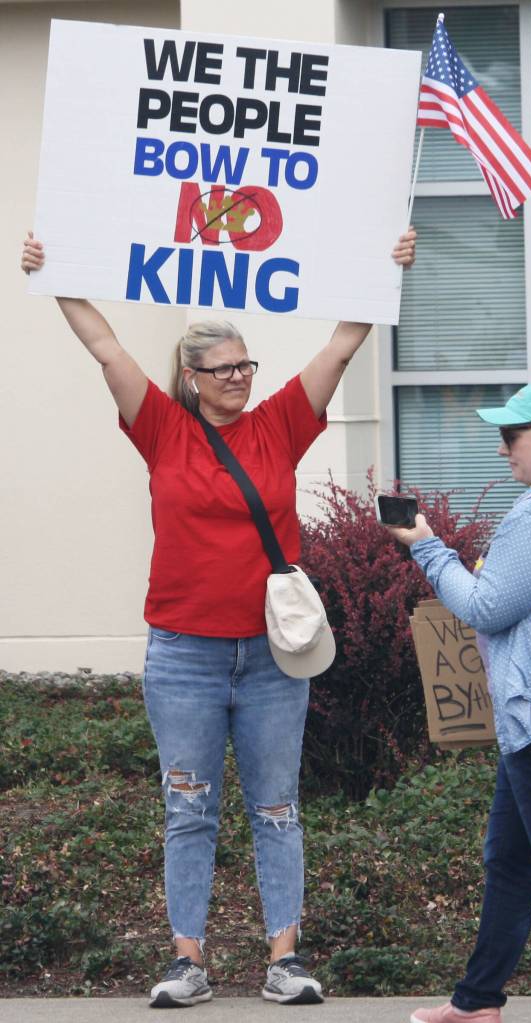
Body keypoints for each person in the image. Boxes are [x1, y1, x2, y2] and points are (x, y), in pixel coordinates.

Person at [21, 228, 416, 1008]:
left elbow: (339, 348)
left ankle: (286, 960)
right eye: (223, 368)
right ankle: (186, 963)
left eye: (246, 365)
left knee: (276, 807)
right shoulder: (160, 428)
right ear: (192, 377)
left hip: (272, 654)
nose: (239, 377)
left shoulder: (278, 424)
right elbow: (105, 348)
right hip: (183, 655)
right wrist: (57, 275)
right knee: (189, 807)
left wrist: (381, 269)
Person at [385, 379, 531, 1023]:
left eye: (512, 435)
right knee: (508, 858)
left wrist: (424, 545)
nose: (503, 448)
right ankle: (477, 1002)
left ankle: (477, 1002)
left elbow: (487, 607)